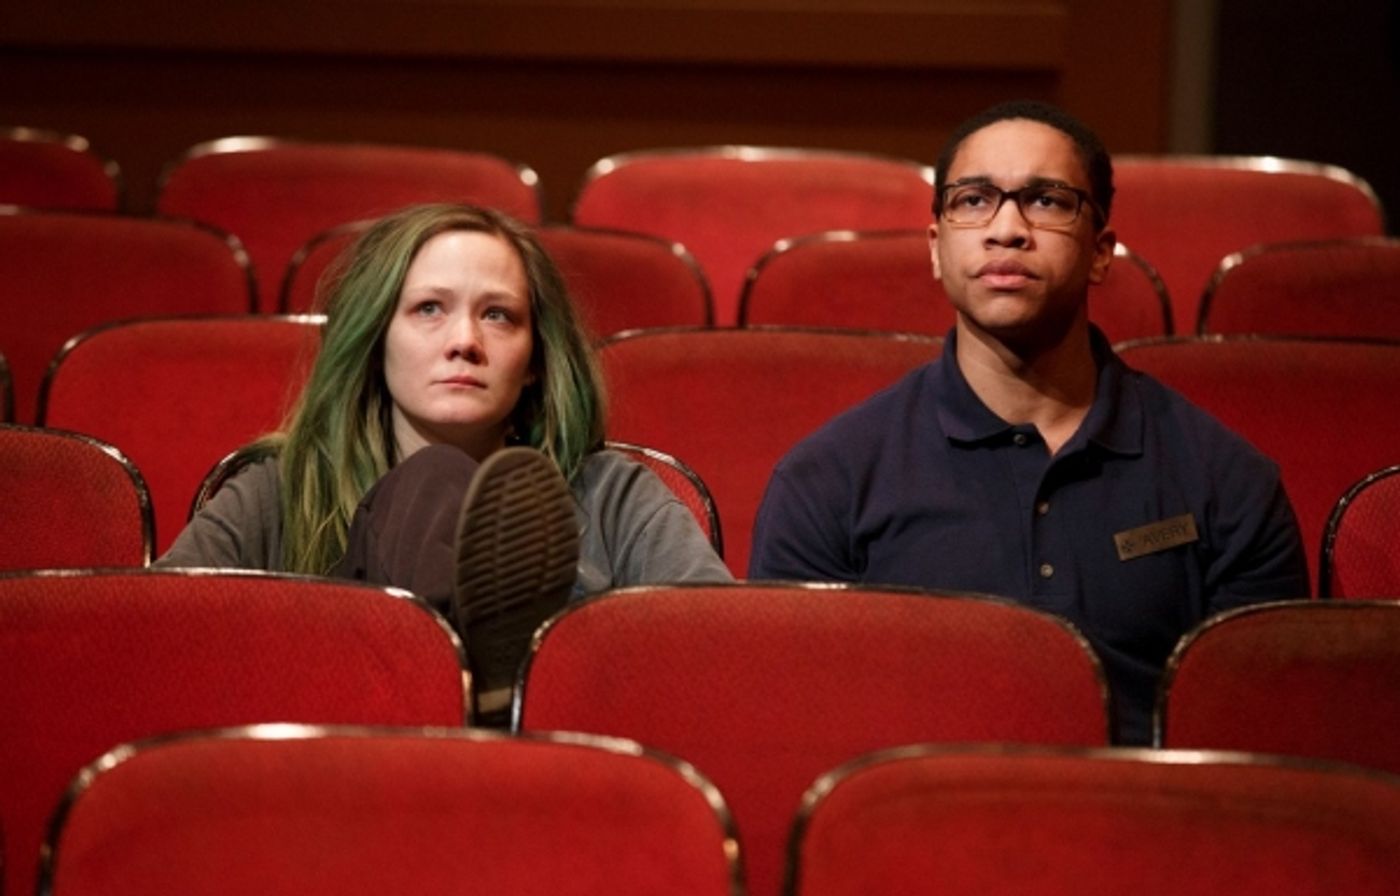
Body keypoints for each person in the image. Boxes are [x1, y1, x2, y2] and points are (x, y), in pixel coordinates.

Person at [748, 100, 1310, 744]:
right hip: (914, 829)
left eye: (1046, 201)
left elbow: (1258, 734)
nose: (1007, 229)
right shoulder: (826, 482)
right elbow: (795, 729)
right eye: (973, 200)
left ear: (1101, 252)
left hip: (1148, 826)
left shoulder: (1228, 482)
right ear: (937, 248)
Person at [158, 203, 732, 721]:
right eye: (429, 309)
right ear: (376, 337)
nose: (465, 340)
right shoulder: (279, 491)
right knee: (432, 483)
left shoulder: (615, 496)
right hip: (335, 776)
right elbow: (150, 639)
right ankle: (478, 691)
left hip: (552, 784)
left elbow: (719, 655)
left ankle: (500, 685)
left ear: (534, 359)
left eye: (499, 316)